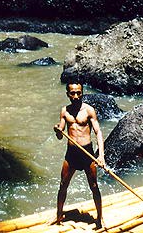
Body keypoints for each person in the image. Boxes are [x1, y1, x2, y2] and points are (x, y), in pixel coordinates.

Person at [53, 81, 105, 229]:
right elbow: (60, 135)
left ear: (82, 92)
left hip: (87, 153)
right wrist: (58, 130)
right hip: (71, 154)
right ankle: (58, 217)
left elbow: (98, 132)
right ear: (68, 94)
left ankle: (99, 220)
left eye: (78, 93)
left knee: (94, 186)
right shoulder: (64, 111)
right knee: (63, 185)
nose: (76, 96)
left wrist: (101, 156)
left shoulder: (89, 110)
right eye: (72, 93)